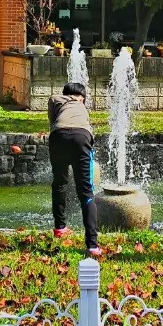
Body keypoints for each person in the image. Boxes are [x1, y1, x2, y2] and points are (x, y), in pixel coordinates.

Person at [48, 82, 100, 256]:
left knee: (59, 183)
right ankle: (92, 245)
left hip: (58, 137)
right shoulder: (82, 106)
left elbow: (53, 122)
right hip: (81, 138)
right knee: (86, 192)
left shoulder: (55, 99)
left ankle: (60, 228)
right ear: (82, 98)